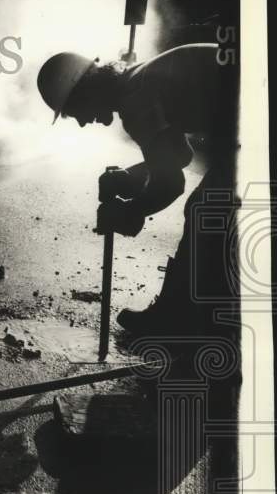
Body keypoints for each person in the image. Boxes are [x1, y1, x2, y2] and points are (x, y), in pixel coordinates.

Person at [36, 43, 238, 336]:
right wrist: (130, 179)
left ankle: (176, 319)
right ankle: (209, 313)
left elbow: (170, 183)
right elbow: (179, 156)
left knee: (204, 210)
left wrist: (131, 211)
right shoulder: (137, 80)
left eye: (74, 110)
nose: (80, 122)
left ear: (87, 90)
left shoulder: (135, 101)